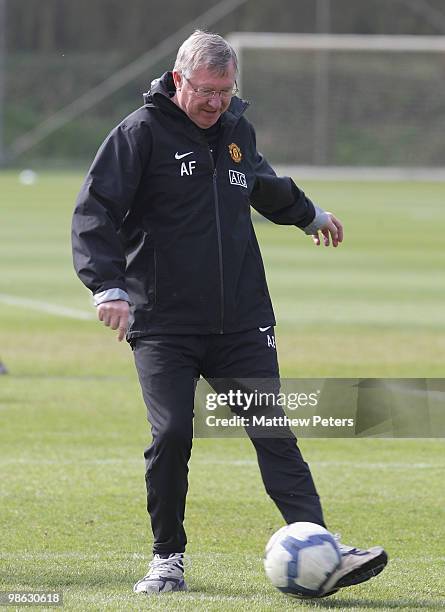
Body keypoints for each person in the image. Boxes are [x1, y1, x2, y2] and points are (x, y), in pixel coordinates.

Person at [72, 30, 387, 596]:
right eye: (205, 90)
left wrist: (308, 214)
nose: (216, 102)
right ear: (177, 81)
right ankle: (167, 558)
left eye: (225, 90)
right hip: (164, 323)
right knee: (171, 434)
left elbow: (258, 182)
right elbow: (95, 209)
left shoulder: (235, 130)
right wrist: (108, 287)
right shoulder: (140, 135)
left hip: (242, 320)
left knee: (274, 431)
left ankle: (321, 548)